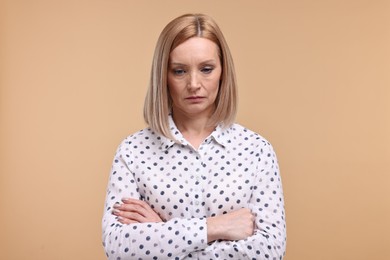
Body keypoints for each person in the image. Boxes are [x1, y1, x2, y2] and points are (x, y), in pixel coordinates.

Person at [102, 13, 286, 259]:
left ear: (223, 72)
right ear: (163, 77)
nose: (194, 84)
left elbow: (270, 251)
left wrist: (159, 232)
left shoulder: (257, 150)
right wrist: (214, 228)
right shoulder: (133, 151)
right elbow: (119, 247)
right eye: (179, 71)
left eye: (206, 69)